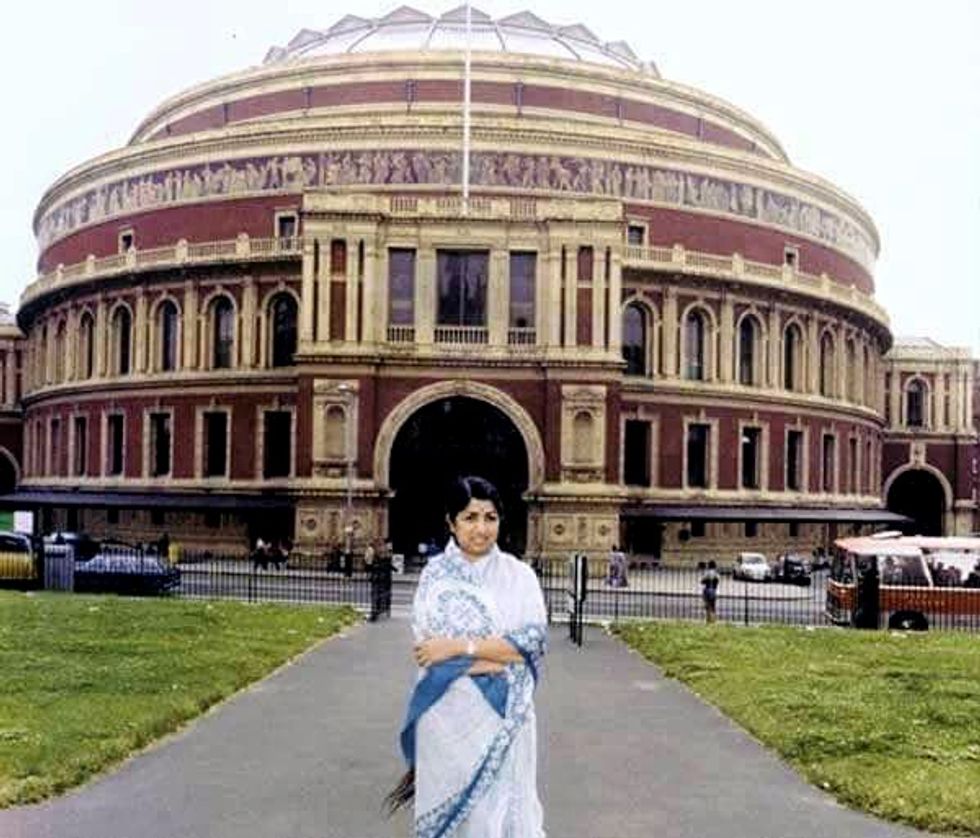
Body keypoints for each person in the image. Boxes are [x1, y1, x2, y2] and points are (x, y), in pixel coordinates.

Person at [386, 476, 547, 837]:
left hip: (507, 717)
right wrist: (500, 656)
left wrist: (461, 647)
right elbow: (432, 654)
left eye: (490, 518)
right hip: (447, 720)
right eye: (470, 517)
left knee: (505, 810)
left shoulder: (519, 577)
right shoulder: (435, 578)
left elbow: (532, 645)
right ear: (451, 523)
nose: (481, 528)